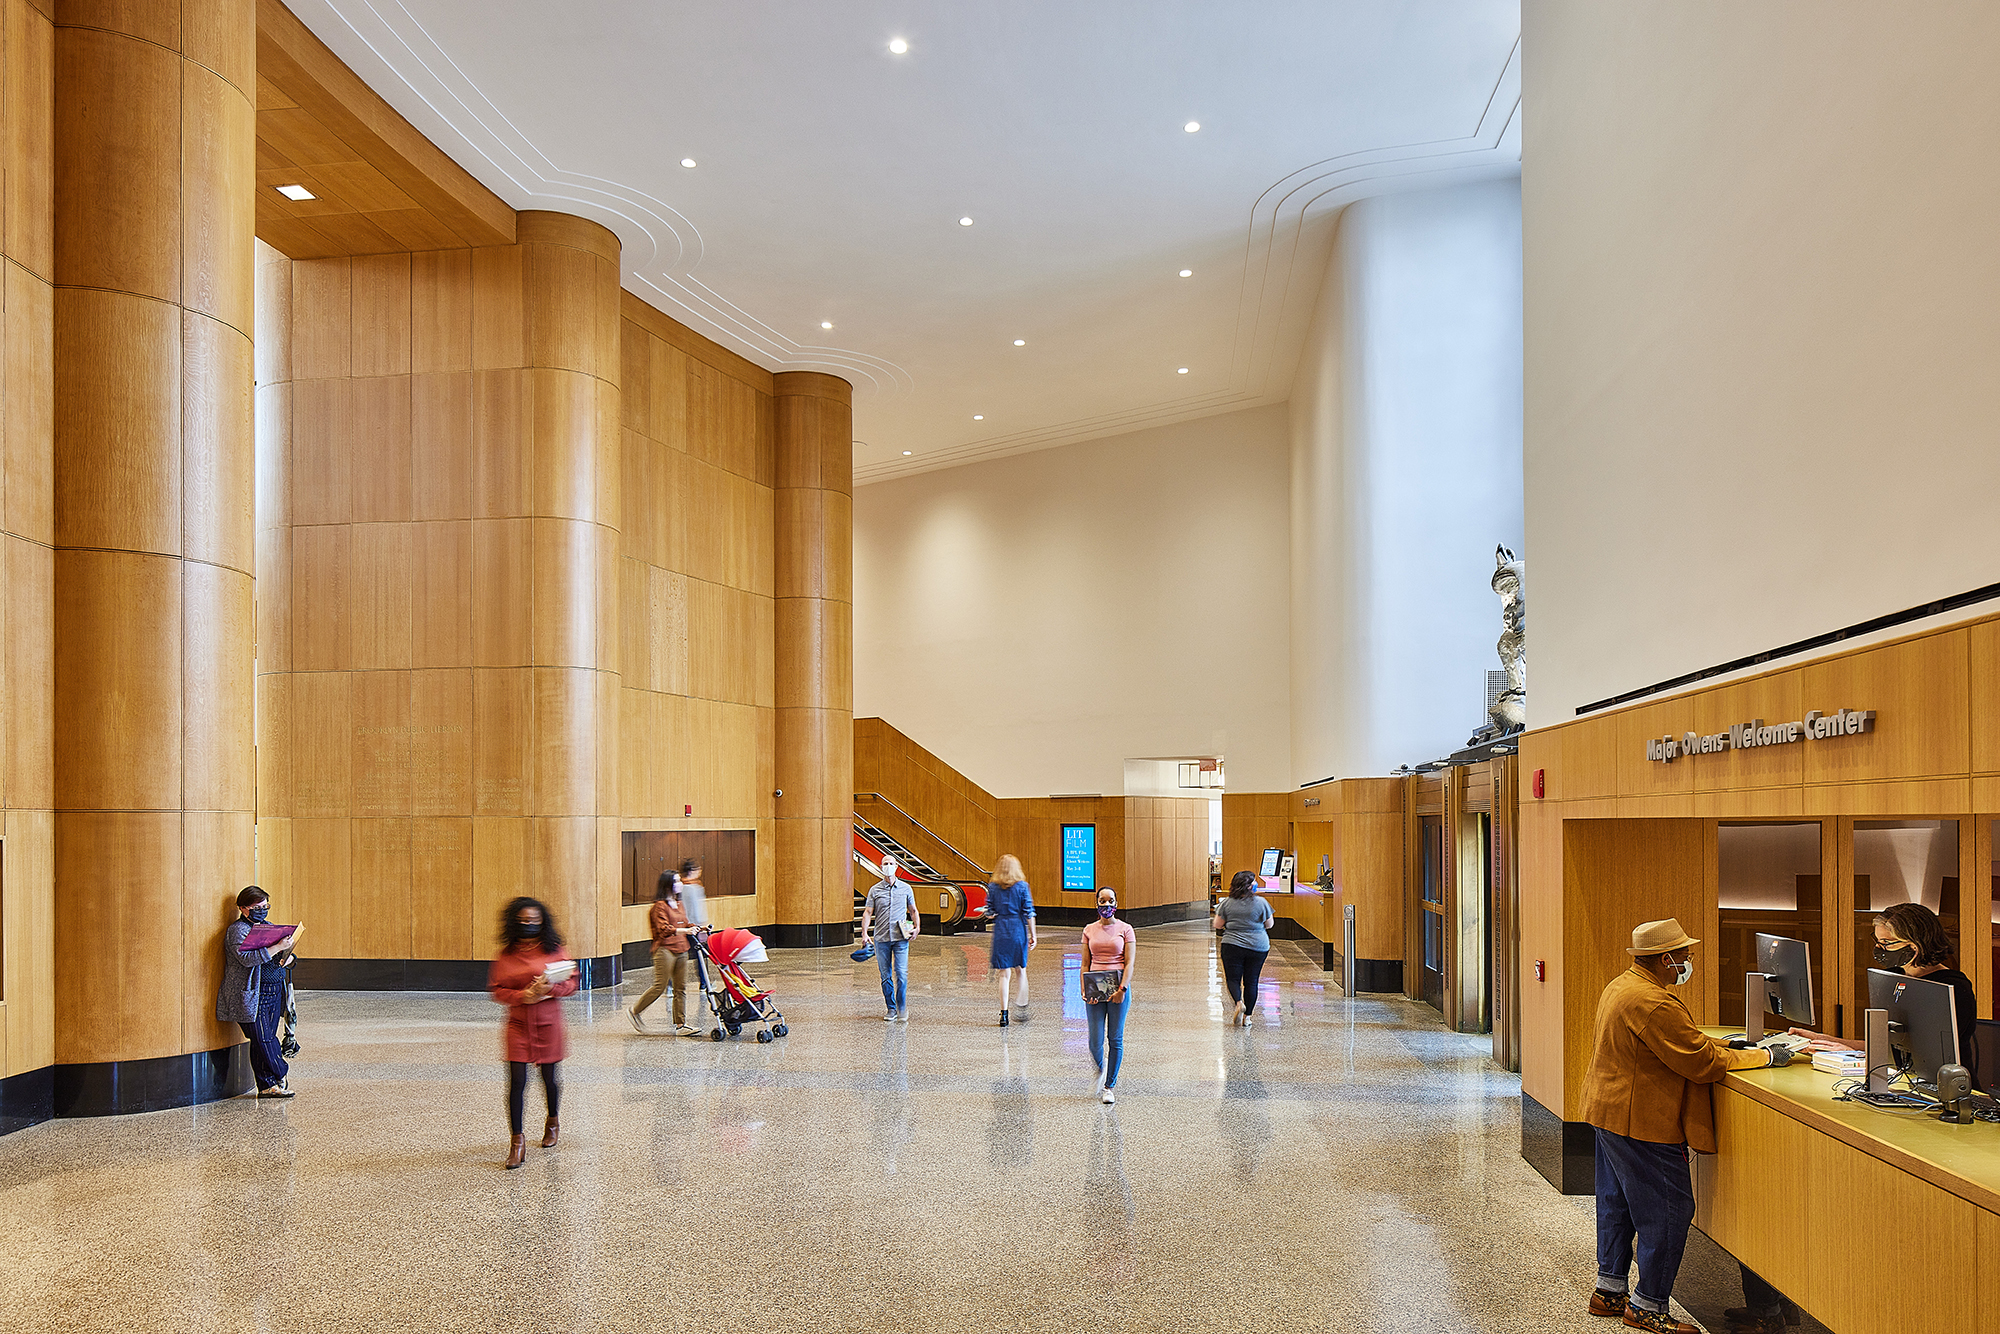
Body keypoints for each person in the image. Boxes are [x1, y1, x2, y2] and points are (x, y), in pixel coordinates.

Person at [1734, 901, 1985, 1332]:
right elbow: (1889, 1045)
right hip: (1904, 1097)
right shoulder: (1900, 983)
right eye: (1879, 943)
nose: (1882, 951)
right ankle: (1777, 1297)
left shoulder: (1951, 987)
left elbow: (1926, 1052)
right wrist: (1831, 1041)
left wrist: (1849, 1047)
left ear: (1918, 941)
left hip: (1944, 1099)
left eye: (1889, 943)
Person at [1580, 919, 1788, 1333]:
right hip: (1642, 1119)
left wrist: (1728, 1045)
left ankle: (1610, 1291)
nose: (1688, 961)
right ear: (1665, 959)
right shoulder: (1656, 1002)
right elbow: (1701, 1063)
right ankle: (1648, 1305)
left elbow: (1680, 1044)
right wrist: (1765, 1057)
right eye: (1685, 956)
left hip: (1607, 1109)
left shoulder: (1623, 985)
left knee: (1617, 1202)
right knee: (1669, 1210)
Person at [488, 897, 580, 1169]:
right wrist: (524, 995)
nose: (529, 925)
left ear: (543, 922)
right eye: (524, 921)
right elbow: (497, 989)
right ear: (514, 922)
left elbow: (572, 983)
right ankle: (517, 1141)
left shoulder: (554, 950)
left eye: (534, 921)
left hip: (548, 1023)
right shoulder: (506, 954)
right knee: (516, 1082)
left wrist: (548, 990)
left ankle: (553, 1120)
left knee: (549, 1078)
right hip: (518, 1023)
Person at [217, 886, 304, 1099]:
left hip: (275, 989)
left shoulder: (268, 927)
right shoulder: (238, 930)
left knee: (261, 1039)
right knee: (264, 1038)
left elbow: (281, 956)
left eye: (266, 906)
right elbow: (247, 959)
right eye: (258, 907)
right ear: (243, 908)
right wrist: (276, 948)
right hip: (254, 992)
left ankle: (267, 1086)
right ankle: (280, 1071)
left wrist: (289, 956)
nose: (263, 910)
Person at [1081, 886, 1138, 1104]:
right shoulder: (1088, 929)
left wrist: (1122, 989)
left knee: (1115, 1038)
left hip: (1118, 984)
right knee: (1094, 1040)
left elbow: (1129, 962)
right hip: (1095, 985)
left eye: (1110, 901)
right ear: (1096, 903)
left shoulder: (1126, 929)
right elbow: (1085, 962)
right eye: (1102, 901)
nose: (1107, 905)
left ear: (1116, 903)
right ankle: (1101, 1066)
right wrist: (1084, 988)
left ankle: (1109, 1085)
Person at [630, 872, 699, 1035]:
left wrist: (697, 928)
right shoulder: (659, 906)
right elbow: (664, 930)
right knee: (660, 985)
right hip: (665, 949)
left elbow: (684, 922)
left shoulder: (679, 903)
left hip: (682, 948)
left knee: (680, 988)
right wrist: (685, 930)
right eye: (676, 881)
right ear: (667, 884)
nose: (680, 883)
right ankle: (635, 1011)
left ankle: (681, 1025)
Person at [858, 856, 919, 1022]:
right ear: (881, 866)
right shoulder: (875, 890)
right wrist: (864, 933)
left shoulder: (906, 888)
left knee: (901, 974)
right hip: (881, 939)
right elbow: (868, 912)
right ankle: (891, 1008)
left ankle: (901, 1006)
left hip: (901, 939)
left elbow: (913, 910)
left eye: (891, 864)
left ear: (897, 866)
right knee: (885, 976)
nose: (889, 866)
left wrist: (917, 927)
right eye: (885, 864)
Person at [1213, 870, 1276, 1026]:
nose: (1256, 884)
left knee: (1233, 978)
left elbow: (1217, 925)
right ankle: (1248, 1018)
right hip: (1258, 947)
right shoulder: (1261, 903)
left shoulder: (1226, 903)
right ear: (1248, 887)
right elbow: (1270, 925)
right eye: (1253, 882)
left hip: (1232, 945)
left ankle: (1239, 1002)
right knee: (1252, 981)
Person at [985, 853, 1037, 1026]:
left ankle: (1004, 1014)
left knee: (1003, 974)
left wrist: (989, 912)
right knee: (1020, 970)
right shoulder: (1022, 887)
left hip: (1001, 930)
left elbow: (990, 912)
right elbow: (1029, 912)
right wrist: (1033, 935)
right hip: (1017, 929)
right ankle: (1021, 1007)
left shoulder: (992, 887)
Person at [677, 858, 710, 930]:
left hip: (683, 923)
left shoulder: (680, 886)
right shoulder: (693, 888)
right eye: (698, 869)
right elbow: (697, 910)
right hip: (694, 925)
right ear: (692, 871)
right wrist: (701, 925)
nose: (699, 871)